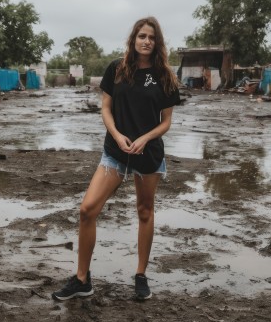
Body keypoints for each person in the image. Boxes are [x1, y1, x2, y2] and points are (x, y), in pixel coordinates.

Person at [52, 16, 180, 301]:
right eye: (142, 36)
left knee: (145, 212)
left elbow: (166, 122)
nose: (147, 41)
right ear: (133, 39)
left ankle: (140, 275)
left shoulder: (165, 77)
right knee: (87, 210)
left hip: (147, 155)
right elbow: (106, 108)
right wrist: (117, 134)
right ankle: (82, 280)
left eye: (152, 38)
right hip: (115, 151)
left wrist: (145, 137)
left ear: (157, 43)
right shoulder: (117, 69)